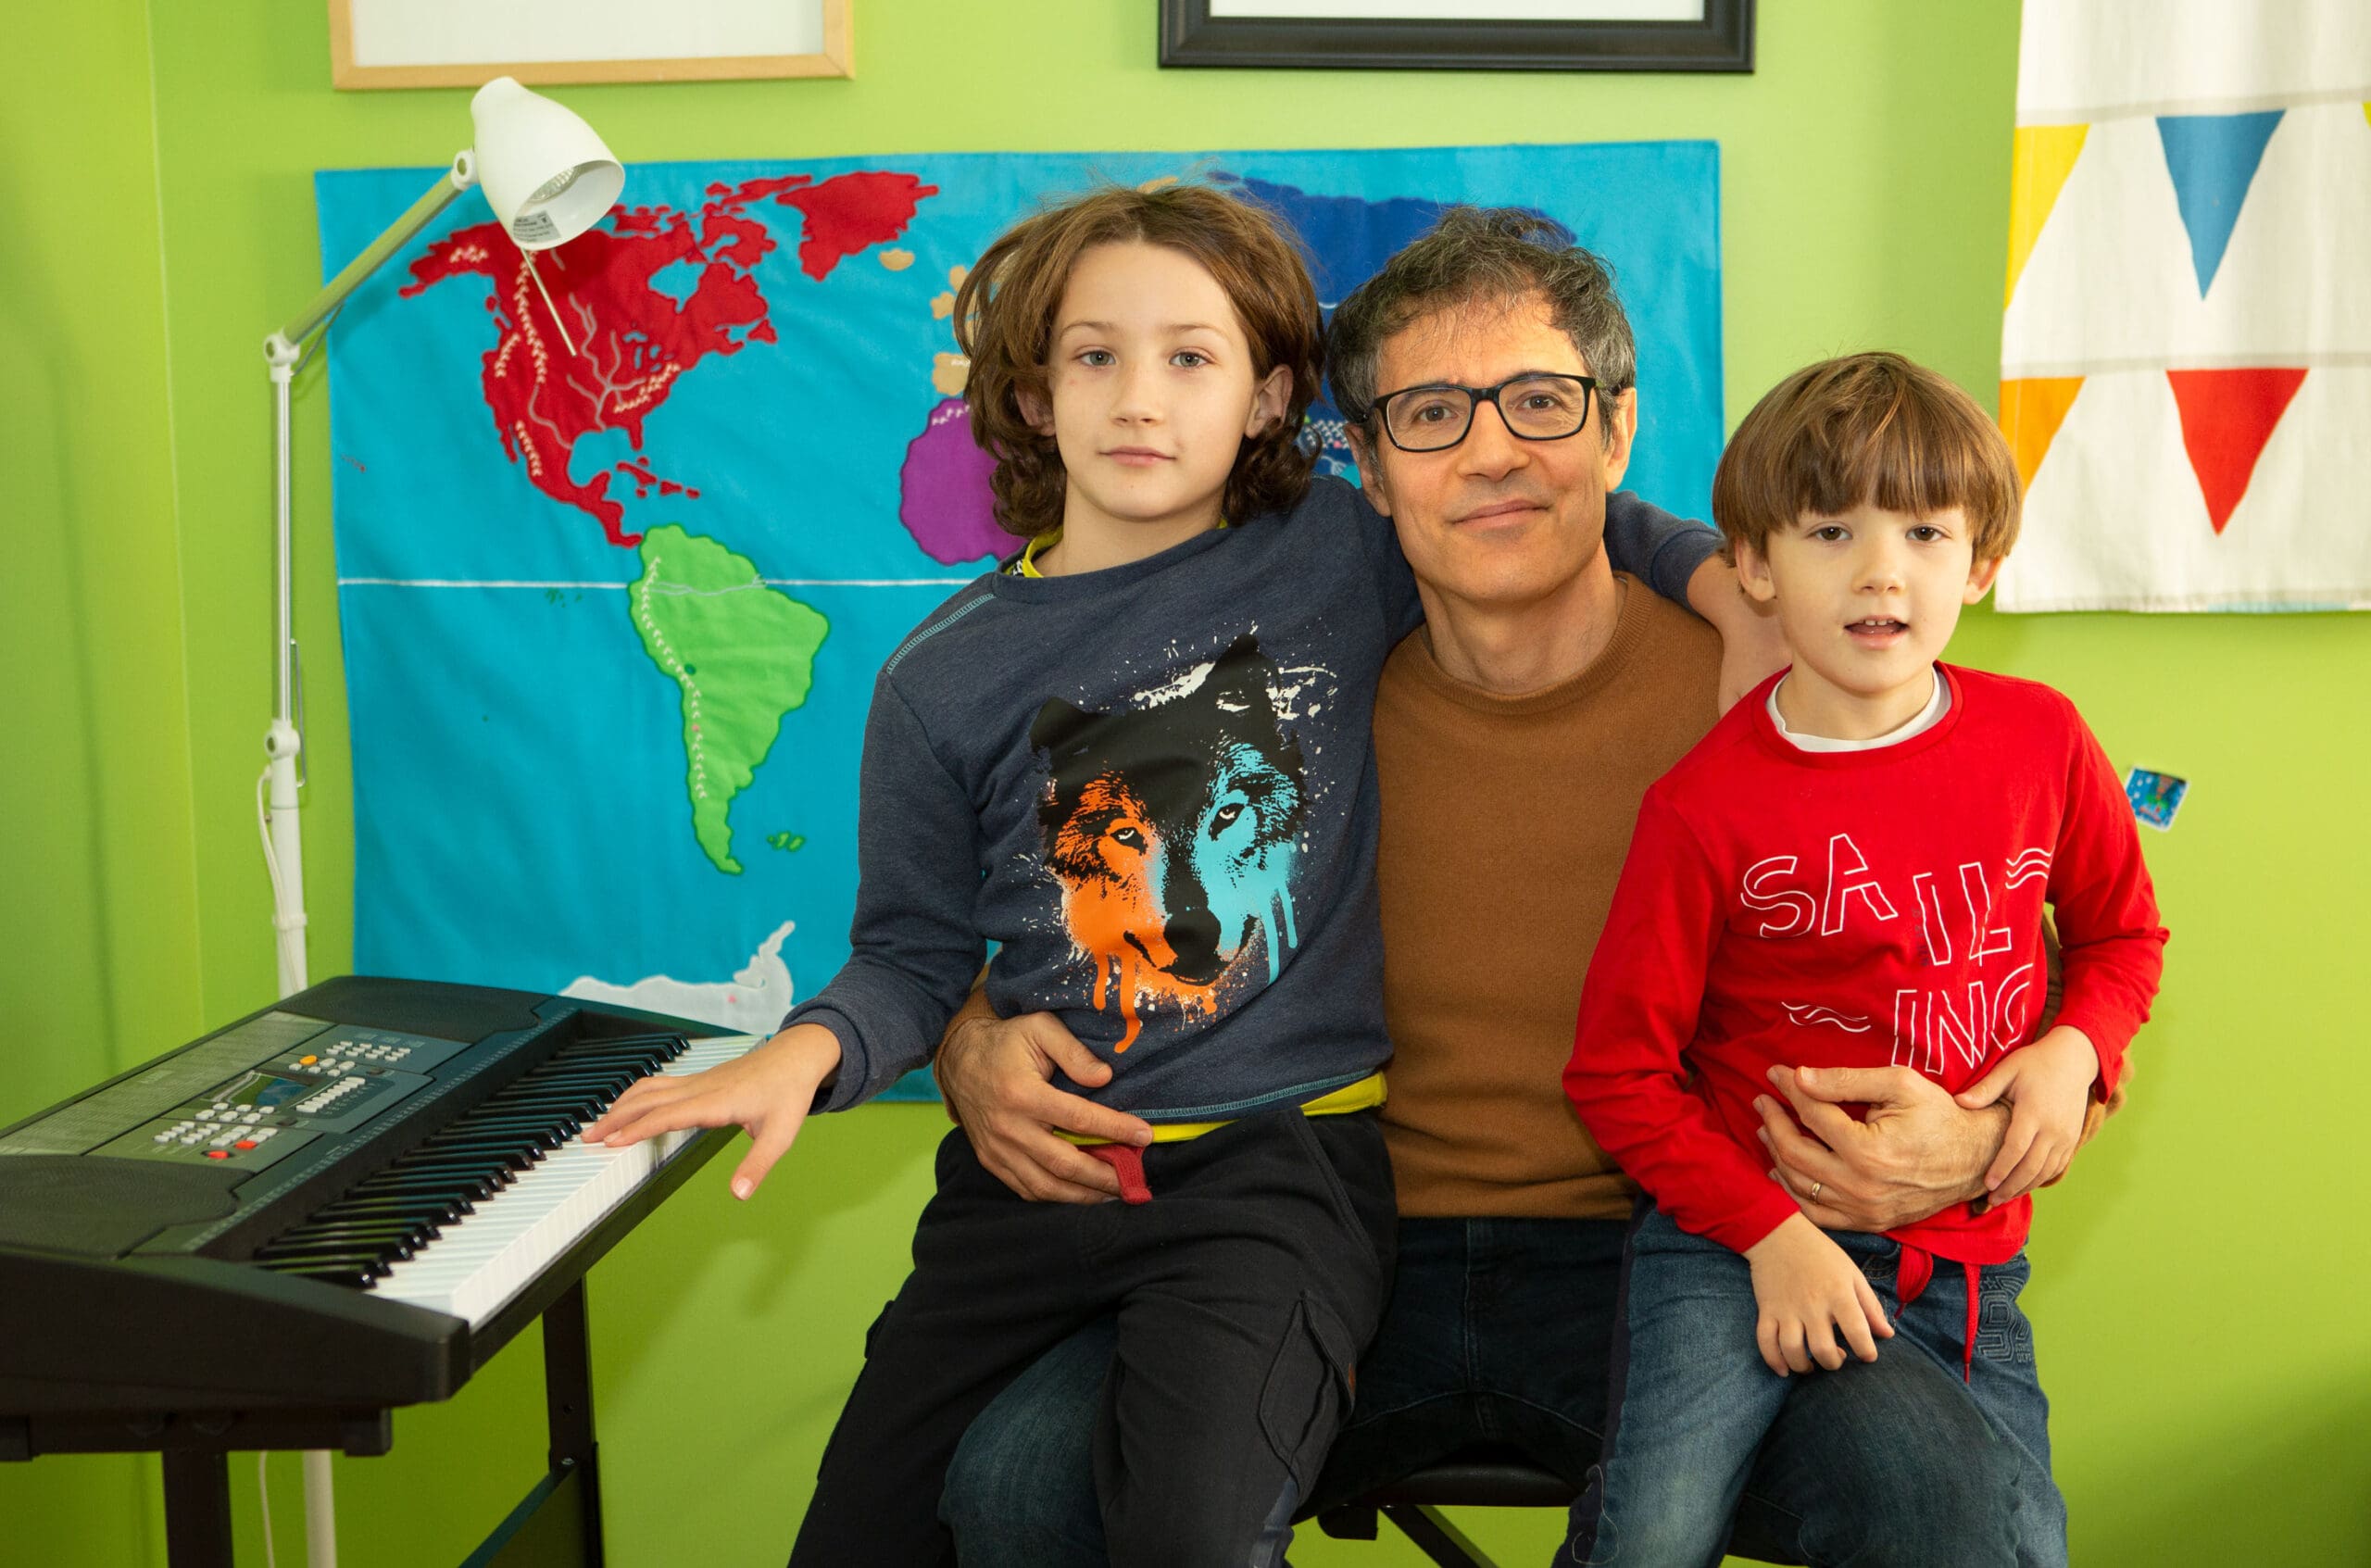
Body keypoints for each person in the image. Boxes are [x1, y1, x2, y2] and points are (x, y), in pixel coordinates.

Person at [936, 216, 2118, 1567]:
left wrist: (2003, 1124)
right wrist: (974, 1030)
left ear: (1617, 436)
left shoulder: (1774, 696)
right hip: (1331, 1253)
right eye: (1430, 414)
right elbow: (1101, 922)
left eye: (1541, 403)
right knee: (1021, 1477)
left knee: (1958, 1507)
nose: (1492, 452)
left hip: (1683, 1258)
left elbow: (2009, 942)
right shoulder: (1295, 698)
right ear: (1367, 471)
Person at [581, 186, 1710, 1566]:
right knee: (863, 1534)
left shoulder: (1339, 557)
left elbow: (1564, 504)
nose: (1137, 397)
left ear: (1269, 398)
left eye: (1190, 357)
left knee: (1190, 1532)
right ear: (1034, 393)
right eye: (1093, 355)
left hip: (1274, 1176)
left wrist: (1727, 583)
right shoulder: (938, 680)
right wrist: (806, 1051)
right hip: (1029, 1188)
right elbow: (912, 956)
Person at [1562, 352, 2168, 1568]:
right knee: (1652, 1533)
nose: (1882, 568)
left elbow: (2121, 936)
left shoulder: (2040, 740)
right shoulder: (1703, 808)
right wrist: (1773, 1233)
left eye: (1927, 532)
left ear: (1983, 564)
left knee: (2023, 1544)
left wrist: (2073, 1050)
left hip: (1967, 1264)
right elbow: (1615, 1074)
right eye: (1831, 528)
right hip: (1734, 1246)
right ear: (1756, 563)